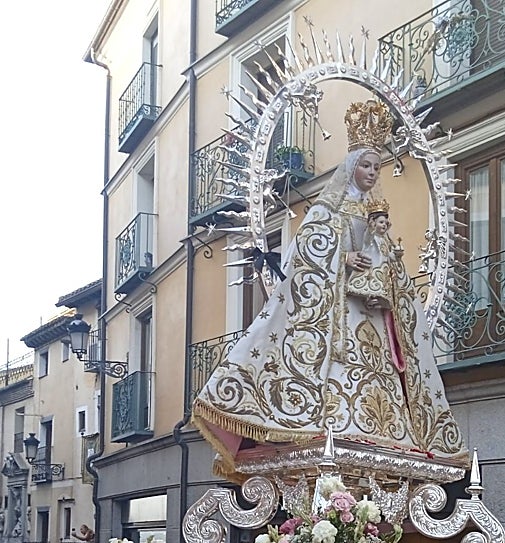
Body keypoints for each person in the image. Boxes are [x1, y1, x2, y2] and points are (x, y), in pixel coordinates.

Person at [191, 99, 466, 477]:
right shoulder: (327, 212)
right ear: (351, 167)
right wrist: (344, 259)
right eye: (365, 165)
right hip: (336, 321)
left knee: (378, 391)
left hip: (371, 319)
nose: (372, 172)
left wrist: (383, 265)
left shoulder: (377, 215)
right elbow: (302, 254)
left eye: (377, 166)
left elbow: (389, 263)